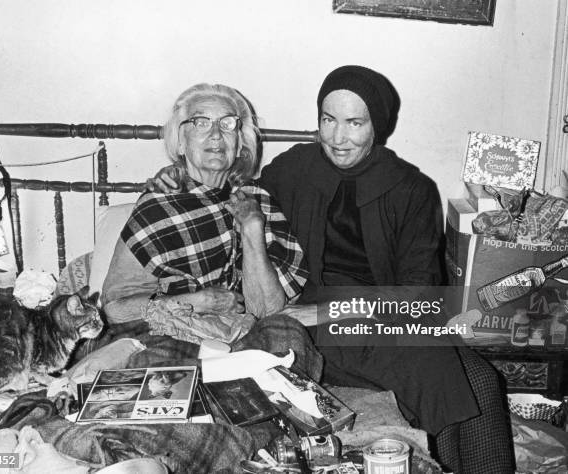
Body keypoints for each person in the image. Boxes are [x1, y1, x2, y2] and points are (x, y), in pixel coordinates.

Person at [150, 67, 514, 473]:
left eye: (354, 123)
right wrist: (174, 175)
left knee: (483, 379)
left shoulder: (411, 187)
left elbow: (419, 295)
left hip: (377, 313)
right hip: (307, 322)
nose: (338, 138)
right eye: (328, 120)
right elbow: (225, 189)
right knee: (434, 365)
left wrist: (329, 312)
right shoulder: (291, 169)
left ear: (379, 123)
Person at [102, 83, 308, 329]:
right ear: (180, 142)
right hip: (173, 332)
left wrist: (252, 229)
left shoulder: (257, 201)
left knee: (287, 335)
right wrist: (197, 303)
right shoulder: (158, 206)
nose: (216, 134)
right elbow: (115, 308)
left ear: (240, 143)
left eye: (227, 124)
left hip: (246, 335)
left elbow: (267, 311)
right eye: (201, 122)